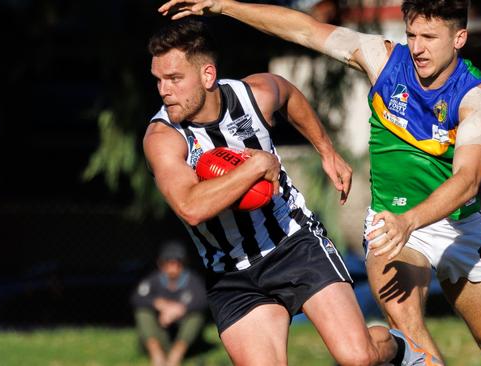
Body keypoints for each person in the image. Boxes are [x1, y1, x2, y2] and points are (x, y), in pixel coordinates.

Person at [157, 0, 481, 364]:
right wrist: (224, 6)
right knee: (408, 326)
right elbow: (303, 29)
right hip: (390, 224)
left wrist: (411, 220)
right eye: (411, 34)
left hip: (454, 224)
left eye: (429, 37)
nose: (417, 48)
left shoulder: (474, 97)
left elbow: (467, 180)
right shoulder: (383, 59)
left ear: (460, 38)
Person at [142, 19, 436, 366]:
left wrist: (327, 150)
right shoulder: (163, 138)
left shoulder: (253, 96)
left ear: (207, 76)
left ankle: (404, 352)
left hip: (292, 242)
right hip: (231, 271)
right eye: (158, 79)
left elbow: (289, 93)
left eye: (174, 79)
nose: (164, 90)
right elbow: (190, 207)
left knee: (358, 358)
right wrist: (255, 166)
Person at [132, 240, 208, 366]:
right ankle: (156, 356)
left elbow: (203, 301)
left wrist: (180, 309)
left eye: (177, 262)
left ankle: (175, 357)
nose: (173, 266)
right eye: (168, 262)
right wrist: (159, 304)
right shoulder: (153, 280)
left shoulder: (193, 281)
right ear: (160, 263)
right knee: (143, 312)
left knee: (196, 315)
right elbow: (137, 298)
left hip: (185, 339)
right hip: (161, 333)